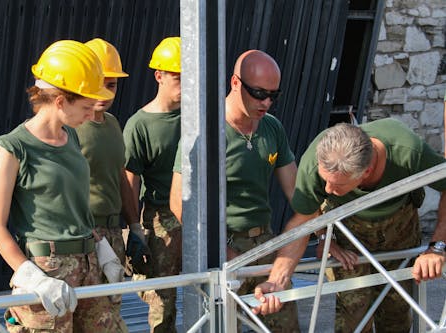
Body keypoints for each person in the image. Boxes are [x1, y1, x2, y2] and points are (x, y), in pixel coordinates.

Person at [254, 119, 446, 332]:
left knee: (396, 313)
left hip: (399, 230)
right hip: (347, 237)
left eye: (337, 185)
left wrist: (437, 247)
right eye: (324, 180)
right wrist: (278, 281)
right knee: (354, 316)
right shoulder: (315, 161)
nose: (327, 189)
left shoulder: (408, 150)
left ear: (366, 172)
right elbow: (302, 221)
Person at [0, 40, 123, 332]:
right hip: (47, 274)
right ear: (60, 101)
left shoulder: (70, 137)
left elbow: (75, 208)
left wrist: (101, 249)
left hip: (88, 266)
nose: (91, 114)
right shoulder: (14, 148)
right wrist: (32, 277)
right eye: (85, 106)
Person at [170, 49, 300, 332]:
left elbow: (297, 193)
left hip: (265, 243)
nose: (266, 102)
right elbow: (179, 204)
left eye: (273, 96)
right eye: (259, 93)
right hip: (223, 248)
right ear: (236, 83)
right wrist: (221, 251)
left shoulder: (272, 128)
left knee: (285, 326)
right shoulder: (205, 132)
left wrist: (327, 233)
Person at [75, 37, 137, 333]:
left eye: (110, 85)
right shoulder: (70, 128)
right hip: (85, 237)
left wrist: (134, 227)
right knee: (92, 319)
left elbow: (121, 176)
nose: (103, 91)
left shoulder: (113, 123)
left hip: (113, 234)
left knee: (110, 312)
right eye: (97, 82)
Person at [123, 36, 182, 333]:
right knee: (163, 299)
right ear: (159, 75)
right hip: (161, 218)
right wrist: (134, 231)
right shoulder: (140, 125)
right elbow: (129, 182)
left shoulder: (200, 116)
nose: (185, 83)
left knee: (216, 287)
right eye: (177, 76)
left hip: (203, 212)